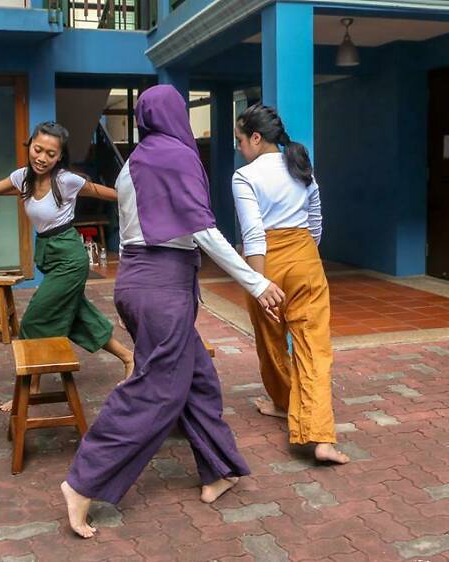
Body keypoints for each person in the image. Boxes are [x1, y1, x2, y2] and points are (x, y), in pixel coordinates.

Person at [60, 85, 285, 538]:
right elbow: (203, 230)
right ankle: (83, 482)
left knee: (198, 379)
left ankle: (218, 469)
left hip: (136, 284)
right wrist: (257, 283)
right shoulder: (177, 157)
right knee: (157, 390)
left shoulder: (134, 164)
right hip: (164, 286)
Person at [0, 121, 133, 412]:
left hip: (69, 256)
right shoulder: (22, 178)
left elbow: (109, 193)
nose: (42, 158)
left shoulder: (66, 181)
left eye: (50, 153)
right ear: (29, 145)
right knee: (78, 316)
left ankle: (30, 387)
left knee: (34, 318)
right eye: (38, 149)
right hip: (50, 253)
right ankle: (128, 358)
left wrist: (144, 198)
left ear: (60, 156)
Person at [232, 103, 349, 465]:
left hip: (266, 262)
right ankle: (319, 436)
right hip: (305, 258)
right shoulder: (300, 167)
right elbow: (316, 221)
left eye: (239, 140)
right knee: (314, 346)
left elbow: (253, 234)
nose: (238, 147)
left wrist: (258, 284)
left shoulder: (245, 176)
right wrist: (305, 253)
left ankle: (285, 403)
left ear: (256, 137)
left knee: (270, 342)